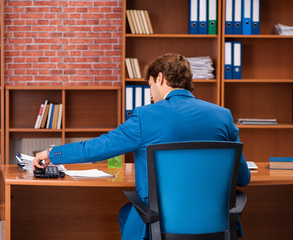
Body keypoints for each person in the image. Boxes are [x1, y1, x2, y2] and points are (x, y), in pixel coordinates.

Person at [32, 53, 251, 240]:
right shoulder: (223, 116)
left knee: (128, 213)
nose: (150, 94)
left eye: (150, 86)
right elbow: (243, 178)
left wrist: (53, 154)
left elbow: (99, 147)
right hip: (216, 223)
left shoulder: (146, 116)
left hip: (160, 221)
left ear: (160, 77)